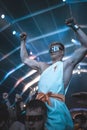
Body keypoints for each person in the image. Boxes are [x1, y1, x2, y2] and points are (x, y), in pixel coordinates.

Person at [20, 18, 87, 130]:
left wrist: (75, 27)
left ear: (62, 52)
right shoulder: (43, 66)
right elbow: (25, 59)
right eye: (51, 49)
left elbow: (85, 46)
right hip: (38, 107)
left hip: (56, 108)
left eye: (56, 48)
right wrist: (22, 42)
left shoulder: (66, 64)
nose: (53, 50)